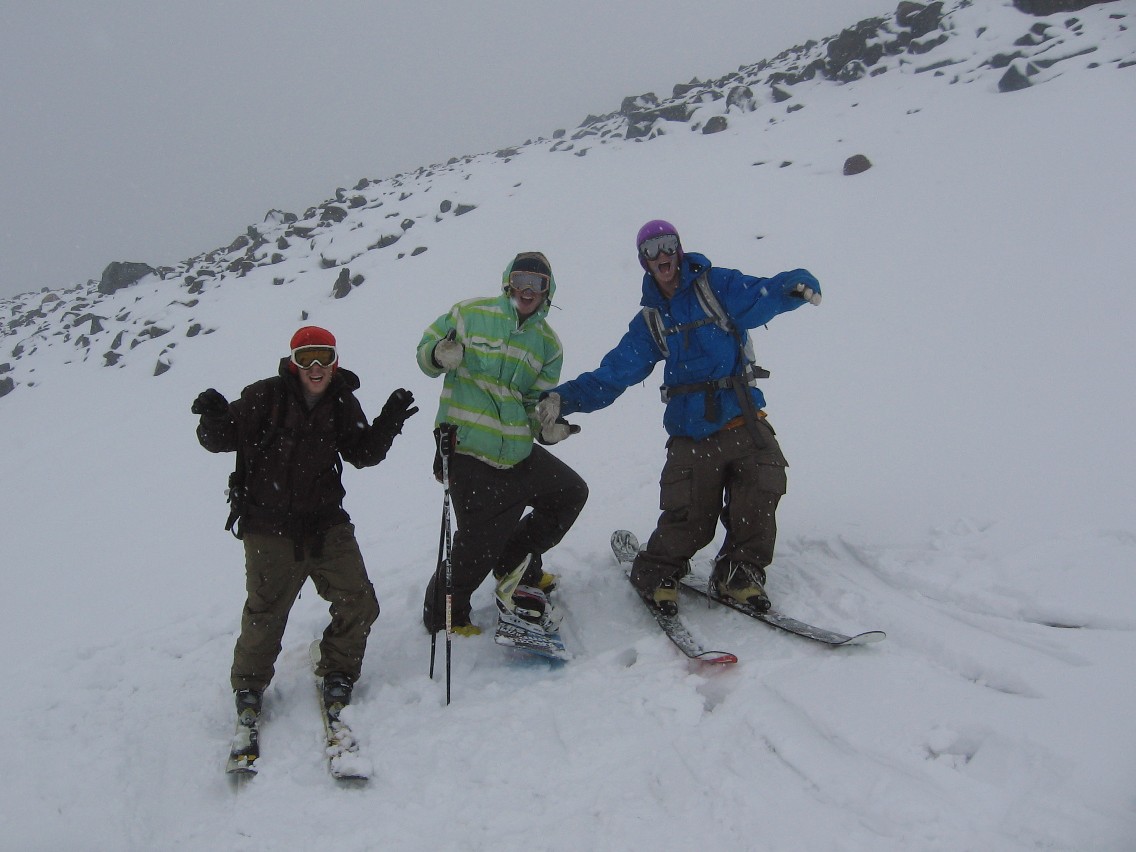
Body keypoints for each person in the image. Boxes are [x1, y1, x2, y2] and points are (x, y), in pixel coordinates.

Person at [540, 219, 821, 615]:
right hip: (692, 433)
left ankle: (740, 573)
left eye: (667, 244)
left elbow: (761, 295)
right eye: (651, 250)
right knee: (690, 519)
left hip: (743, 418)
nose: (661, 255)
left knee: (760, 493)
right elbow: (614, 374)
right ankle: (656, 574)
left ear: (679, 248)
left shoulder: (717, 287)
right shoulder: (652, 321)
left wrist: (795, 282)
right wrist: (561, 399)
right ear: (643, 260)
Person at [192, 325, 418, 721]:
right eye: (306, 358)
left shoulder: (342, 402)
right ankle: (248, 685)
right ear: (293, 363)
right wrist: (213, 417)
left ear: (335, 362)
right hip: (268, 526)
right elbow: (222, 439)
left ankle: (338, 671)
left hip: (326, 523)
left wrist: (389, 420)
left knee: (359, 603)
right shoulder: (265, 396)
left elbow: (363, 453)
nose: (316, 367)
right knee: (265, 613)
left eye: (324, 358)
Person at [417, 251, 589, 636]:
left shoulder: (548, 344)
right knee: (480, 540)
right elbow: (425, 353)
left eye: (537, 283)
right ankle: (445, 613)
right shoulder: (469, 314)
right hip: (467, 448)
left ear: (548, 290)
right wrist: (437, 355)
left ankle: (514, 559)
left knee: (569, 493)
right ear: (508, 281)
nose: (527, 290)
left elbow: (534, 403)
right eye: (521, 279)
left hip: (516, 449)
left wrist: (544, 428)